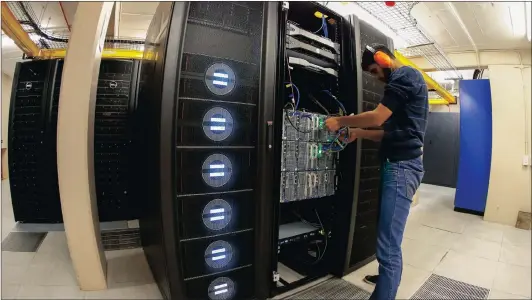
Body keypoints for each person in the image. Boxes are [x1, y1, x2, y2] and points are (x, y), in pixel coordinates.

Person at [325, 43, 428, 300]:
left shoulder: (406, 75)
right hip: (398, 165)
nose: (376, 77)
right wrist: (358, 133)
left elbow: (376, 118)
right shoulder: (405, 83)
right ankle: (386, 282)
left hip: (402, 169)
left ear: (383, 59)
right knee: (386, 240)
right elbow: (389, 132)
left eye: (374, 70)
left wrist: (341, 121)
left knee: (388, 248)